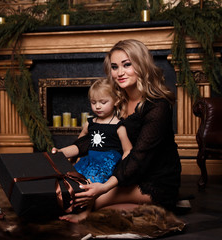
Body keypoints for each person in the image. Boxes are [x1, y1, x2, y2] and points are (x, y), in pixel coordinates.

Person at [58, 39, 182, 223]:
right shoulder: (117, 101)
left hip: (153, 179)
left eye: (127, 65)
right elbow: (99, 139)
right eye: (115, 67)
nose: (120, 73)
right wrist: (61, 153)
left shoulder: (157, 106)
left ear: (142, 64)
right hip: (124, 171)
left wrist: (105, 187)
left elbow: (139, 157)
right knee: (68, 192)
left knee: (89, 200)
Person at [52, 78, 132, 184]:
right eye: (93, 102)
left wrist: (122, 169)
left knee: (92, 182)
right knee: (72, 179)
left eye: (103, 102)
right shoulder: (90, 123)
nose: (97, 106)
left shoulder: (119, 126)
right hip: (90, 161)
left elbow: (128, 150)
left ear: (116, 101)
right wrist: (62, 153)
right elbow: (79, 144)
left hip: (108, 164)